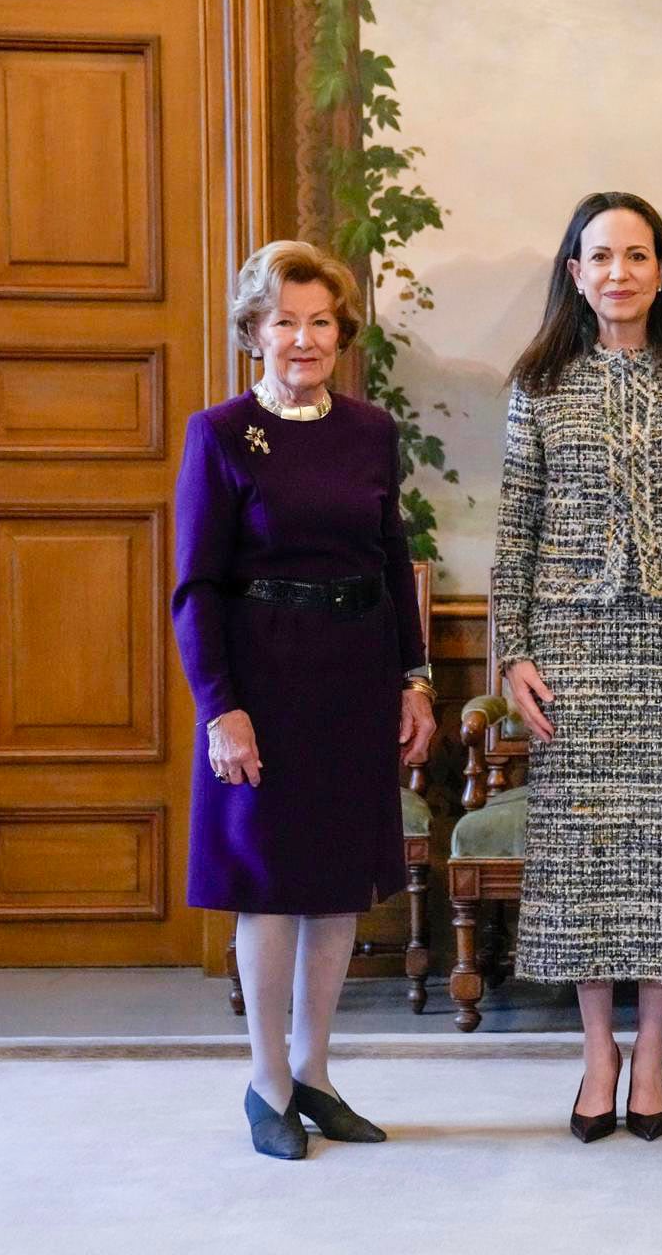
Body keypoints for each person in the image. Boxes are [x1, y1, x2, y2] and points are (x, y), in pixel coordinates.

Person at [492, 192, 662, 1143]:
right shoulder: (538, 380)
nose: (619, 272)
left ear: (661, 272)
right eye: (599, 256)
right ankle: (596, 1049)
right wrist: (511, 652)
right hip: (572, 648)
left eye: (637, 256)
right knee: (584, 866)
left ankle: (652, 1054)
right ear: (574, 272)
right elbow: (515, 527)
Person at [172, 240, 437, 1160]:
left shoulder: (369, 430)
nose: (304, 337)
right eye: (284, 320)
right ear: (254, 331)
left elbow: (392, 560)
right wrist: (221, 708)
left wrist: (415, 678)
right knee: (270, 889)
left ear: (341, 332)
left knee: (336, 890)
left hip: (355, 675)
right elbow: (195, 588)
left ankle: (316, 1073)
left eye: (320, 321)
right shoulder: (218, 433)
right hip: (263, 678)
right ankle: (266, 1084)